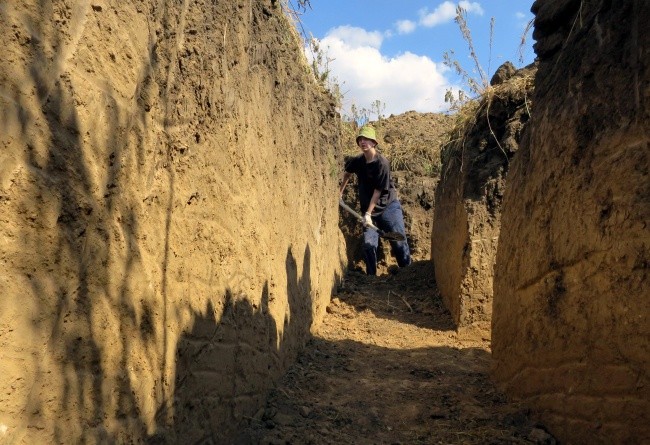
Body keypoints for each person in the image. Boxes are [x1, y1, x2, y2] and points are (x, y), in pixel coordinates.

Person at [339, 125, 411, 276]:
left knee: (398, 242)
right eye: (360, 139)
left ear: (374, 143)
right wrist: (339, 193)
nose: (362, 142)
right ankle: (371, 279)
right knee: (368, 245)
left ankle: (407, 274)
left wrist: (368, 214)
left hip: (388, 207)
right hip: (368, 210)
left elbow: (378, 191)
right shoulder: (358, 161)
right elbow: (347, 174)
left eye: (366, 139)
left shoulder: (382, 163)